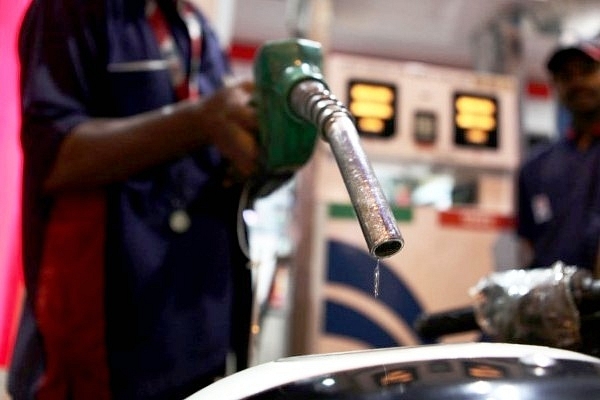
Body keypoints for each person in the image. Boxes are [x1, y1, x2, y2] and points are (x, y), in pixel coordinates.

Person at [8, 0, 261, 399]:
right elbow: (55, 155)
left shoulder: (198, 29)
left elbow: (213, 168)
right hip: (104, 343)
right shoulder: (72, 11)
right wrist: (201, 120)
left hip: (195, 337)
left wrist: (268, 159)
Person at [517, 38, 600, 274]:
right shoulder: (534, 168)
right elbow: (530, 241)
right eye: (566, 76)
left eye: (587, 71)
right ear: (556, 85)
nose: (577, 82)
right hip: (553, 303)